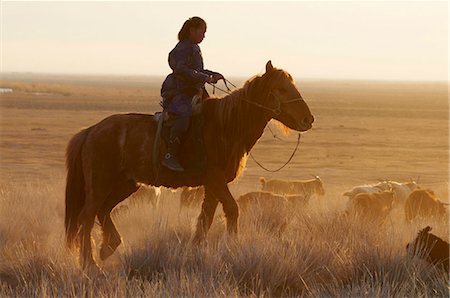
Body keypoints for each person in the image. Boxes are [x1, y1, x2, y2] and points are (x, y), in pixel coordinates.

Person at [160, 16, 223, 172]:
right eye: (202, 32)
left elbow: (198, 70)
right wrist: (204, 77)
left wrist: (213, 74)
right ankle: (170, 155)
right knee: (184, 119)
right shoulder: (181, 48)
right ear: (192, 31)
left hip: (194, 91)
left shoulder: (194, 47)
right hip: (180, 91)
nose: (204, 36)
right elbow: (181, 69)